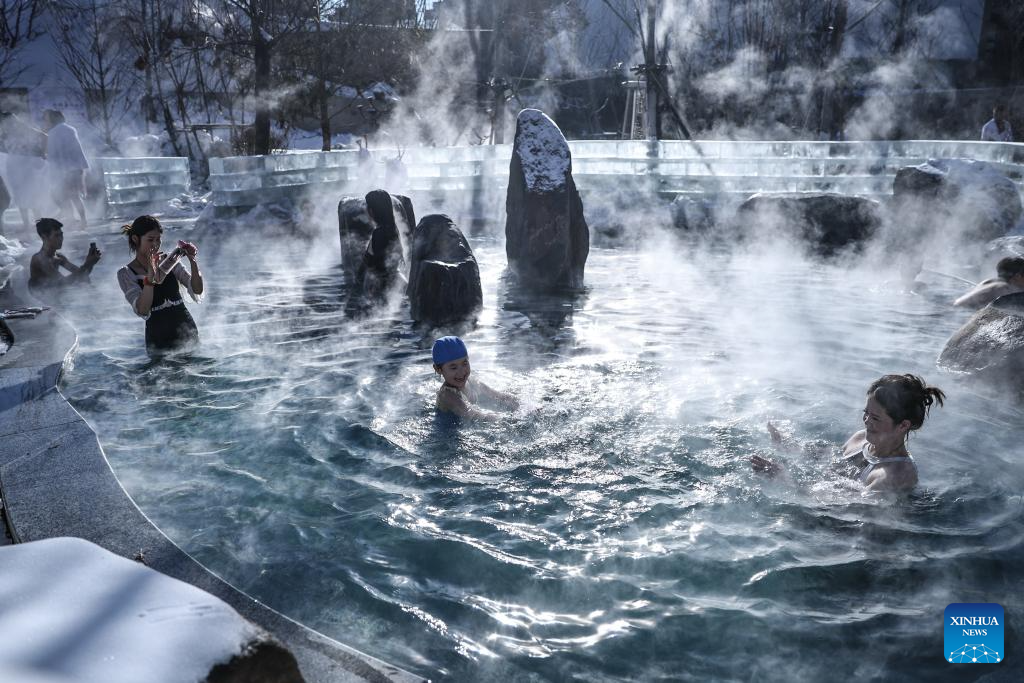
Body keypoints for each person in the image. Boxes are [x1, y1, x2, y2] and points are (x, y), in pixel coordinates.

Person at [752, 374, 945, 492]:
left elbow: (844, 509)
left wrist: (785, 481)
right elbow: (830, 459)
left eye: (876, 418)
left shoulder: (896, 475)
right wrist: (788, 445)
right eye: (866, 413)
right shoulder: (860, 439)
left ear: (903, 425)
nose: (867, 421)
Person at [116, 215, 203, 355]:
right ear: (135, 239)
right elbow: (143, 309)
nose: (155, 244)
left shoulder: (170, 261)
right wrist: (151, 273)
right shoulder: (126, 273)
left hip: (186, 329)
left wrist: (193, 261)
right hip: (158, 337)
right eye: (150, 240)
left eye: (158, 239)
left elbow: (197, 290)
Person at [432, 336, 518, 420]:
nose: (461, 372)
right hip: (448, 430)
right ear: (438, 369)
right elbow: (472, 415)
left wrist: (517, 402)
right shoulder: (447, 395)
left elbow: (497, 395)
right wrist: (507, 419)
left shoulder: (471, 380)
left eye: (465, 363)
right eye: (453, 368)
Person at [0, 111, 49, 231]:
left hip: (26, 165)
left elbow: (44, 136)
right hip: (14, 165)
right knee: (20, 196)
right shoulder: (5, 132)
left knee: (31, 194)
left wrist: (42, 152)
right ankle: (27, 225)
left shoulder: (23, 128)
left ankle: (39, 224)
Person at [43, 110, 89, 231]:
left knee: (61, 196)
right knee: (75, 196)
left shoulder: (52, 133)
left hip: (62, 170)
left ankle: (71, 219)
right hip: (75, 167)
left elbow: (52, 154)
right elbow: (78, 150)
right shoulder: (71, 129)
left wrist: (49, 163)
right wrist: (82, 167)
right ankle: (83, 220)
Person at [28, 218, 101, 291]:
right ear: (44, 237)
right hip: (42, 295)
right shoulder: (40, 259)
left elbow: (82, 276)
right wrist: (87, 264)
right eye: (56, 236)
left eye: (61, 235)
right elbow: (62, 284)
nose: (61, 239)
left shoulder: (58, 256)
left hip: (53, 291)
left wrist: (91, 263)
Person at [360, 189, 406, 298]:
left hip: (384, 288)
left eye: (367, 206)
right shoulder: (393, 229)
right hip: (397, 283)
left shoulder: (379, 233)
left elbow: (379, 266)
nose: (366, 210)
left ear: (373, 210)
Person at [953, 256, 1024, 309]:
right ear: (1017, 276)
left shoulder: (987, 282)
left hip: (955, 308)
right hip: (964, 314)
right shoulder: (1005, 289)